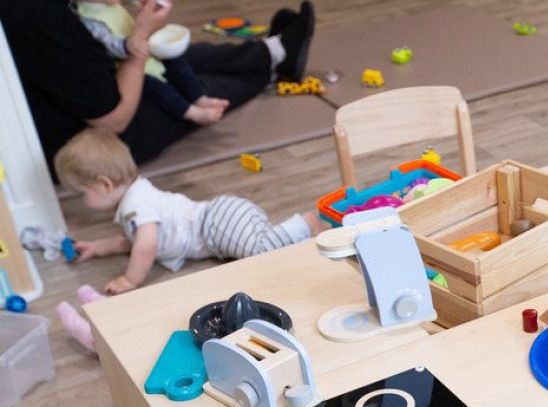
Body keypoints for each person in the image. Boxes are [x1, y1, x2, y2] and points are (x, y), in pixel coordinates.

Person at [0, 0, 315, 172]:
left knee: (183, 54)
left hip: (100, 68)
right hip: (97, 137)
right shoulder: (39, 16)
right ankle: (270, 70)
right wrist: (141, 37)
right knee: (194, 85)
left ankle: (270, 52)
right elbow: (114, 119)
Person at [53, 128, 323, 295]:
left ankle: (305, 222)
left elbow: (145, 246)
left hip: (216, 224)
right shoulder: (136, 197)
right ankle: (298, 241)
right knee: (266, 251)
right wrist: (97, 248)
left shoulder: (136, 207)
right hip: (223, 216)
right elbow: (133, 240)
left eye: (81, 193)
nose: (81, 201)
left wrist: (129, 279)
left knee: (258, 253)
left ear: (103, 184)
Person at [73, 0, 230, 126]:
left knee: (177, 61)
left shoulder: (108, 2)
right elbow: (110, 46)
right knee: (156, 88)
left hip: (144, 46)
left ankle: (199, 97)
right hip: (126, 64)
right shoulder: (89, 19)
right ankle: (191, 112)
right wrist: (129, 45)